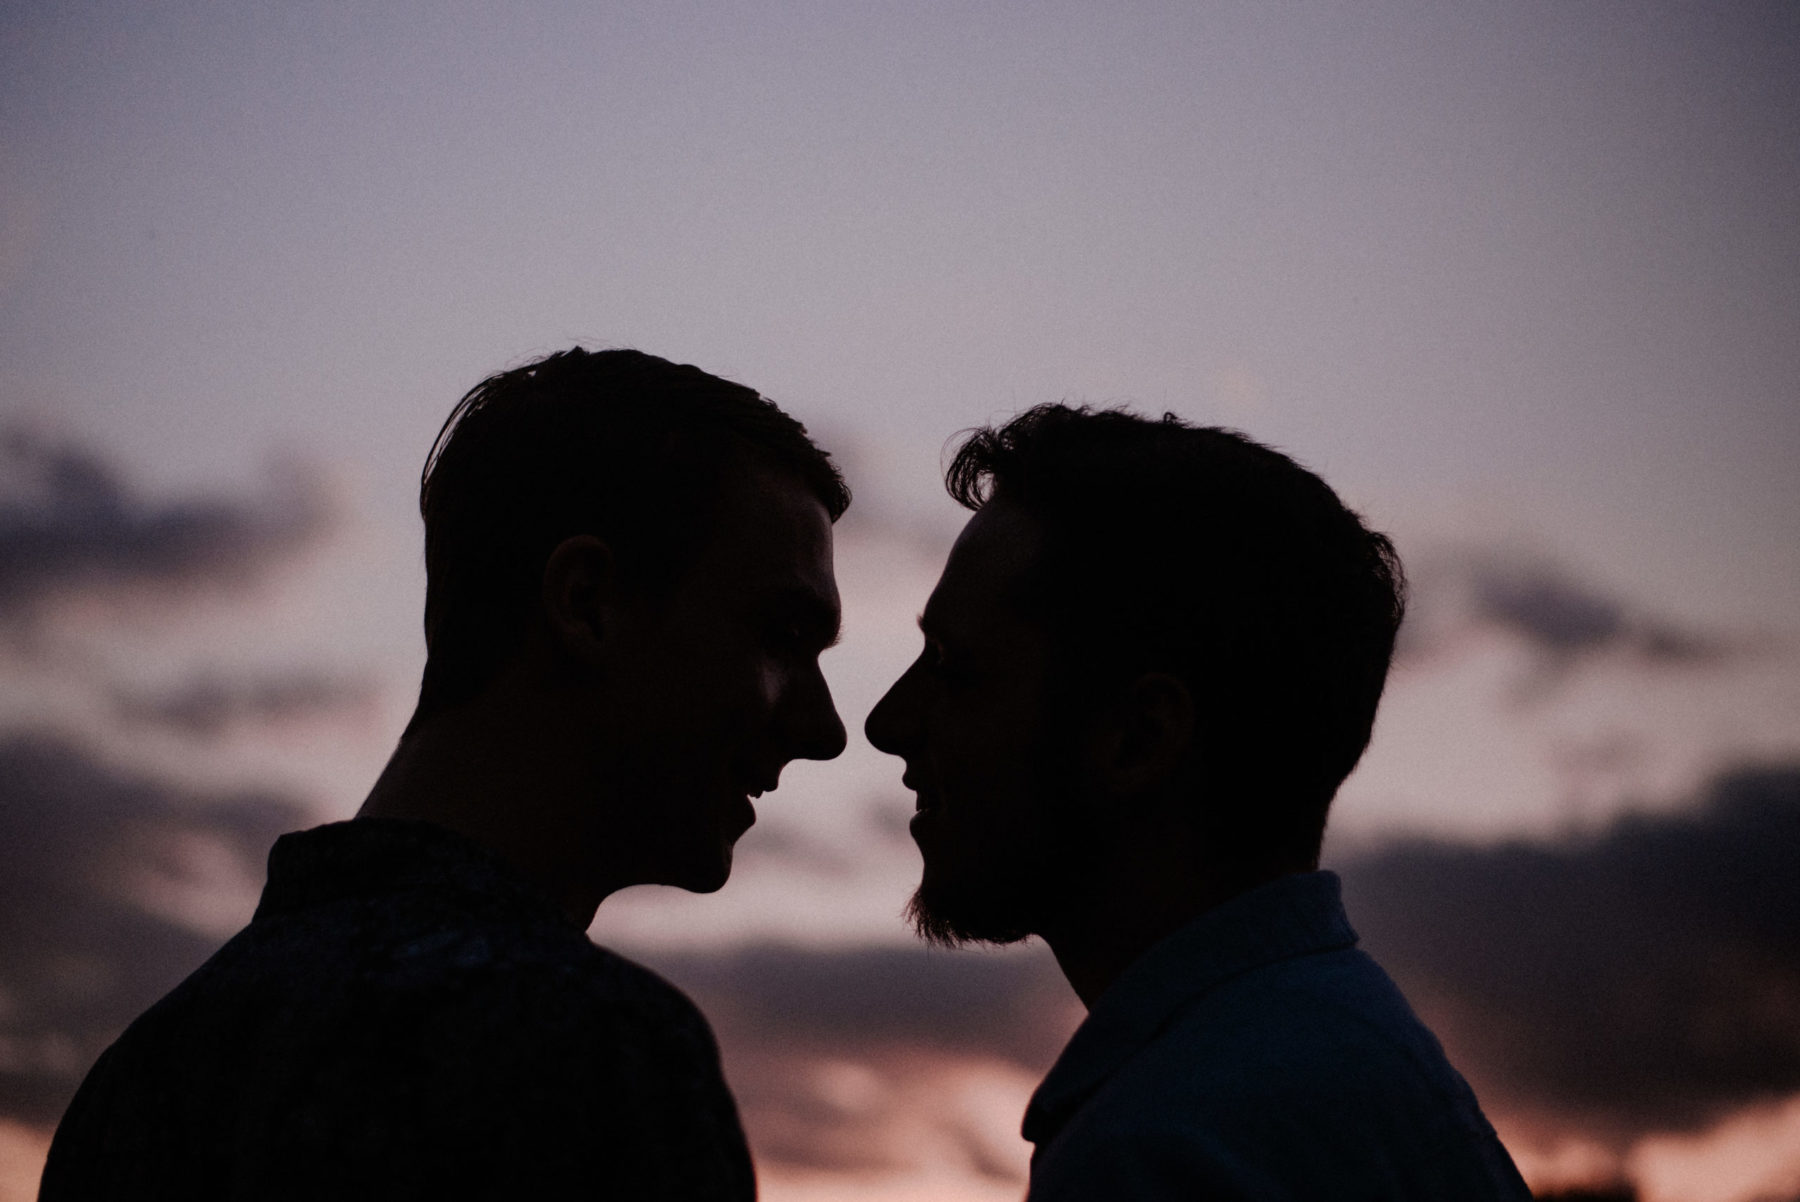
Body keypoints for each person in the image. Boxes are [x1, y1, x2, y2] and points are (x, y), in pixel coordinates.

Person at [42, 348, 850, 1199]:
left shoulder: (140, 1078)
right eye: (782, 637)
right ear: (587, 603)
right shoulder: (588, 1051)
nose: (824, 730)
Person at [865, 404, 1531, 1200]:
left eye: (954, 667)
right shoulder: (1345, 1053)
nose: (887, 723)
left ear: (1139, 739)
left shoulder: (1162, 1151)